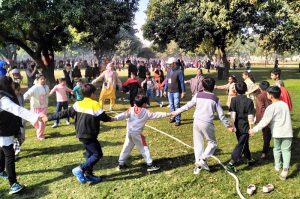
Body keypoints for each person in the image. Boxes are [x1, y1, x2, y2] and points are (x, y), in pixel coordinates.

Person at [44, 84, 113, 183]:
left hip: (80, 133)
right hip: (89, 134)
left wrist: (49, 117)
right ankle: (80, 169)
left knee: (90, 153)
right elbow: (104, 118)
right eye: (95, 93)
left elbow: (64, 113)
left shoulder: (78, 104)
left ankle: (88, 174)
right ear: (92, 94)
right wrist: (112, 119)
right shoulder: (95, 104)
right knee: (97, 154)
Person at [170, 77, 234, 174]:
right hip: (206, 123)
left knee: (198, 143)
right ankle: (202, 160)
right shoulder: (215, 98)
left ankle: (199, 166)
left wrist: (177, 111)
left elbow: (188, 105)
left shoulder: (198, 95)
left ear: (203, 86)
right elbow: (221, 115)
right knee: (212, 143)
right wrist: (228, 126)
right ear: (213, 87)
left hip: (196, 121)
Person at [0, 76, 44, 194]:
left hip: (3, 131)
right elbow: (18, 110)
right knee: (9, 155)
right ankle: (13, 184)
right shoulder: (3, 99)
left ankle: (0, 171)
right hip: (3, 132)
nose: (12, 87)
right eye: (10, 85)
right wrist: (35, 117)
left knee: (2, 152)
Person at [113, 95, 170, 172]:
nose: (146, 104)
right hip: (137, 134)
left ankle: (121, 164)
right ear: (143, 104)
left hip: (129, 132)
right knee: (144, 148)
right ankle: (150, 165)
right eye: (146, 103)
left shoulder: (131, 109)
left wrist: (114, 118)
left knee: (126, 146)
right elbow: (157, 114)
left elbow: (123, 115)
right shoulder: (146, 112)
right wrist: (168, 114)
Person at [249, 86, 293, 180]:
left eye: (268, 93)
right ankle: (285, 169)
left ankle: (278, 166)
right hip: (288, 132)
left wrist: (254, 130)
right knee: (286, 150)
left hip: (278, 133)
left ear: (271, 96)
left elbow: (264, 121)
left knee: (277, 149)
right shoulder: (284, 105)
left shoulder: (271, 107)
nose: (267, 95)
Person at [225, 81, 255, 173]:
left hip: (237, 125)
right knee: (241, 144)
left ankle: (249, 159)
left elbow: (232, 114)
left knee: (244, 143)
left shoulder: (233, 100)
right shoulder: (249, 101)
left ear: (236, 90)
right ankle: (231, 164)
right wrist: (251, 128)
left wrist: (233, 125)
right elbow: (250, 116)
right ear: (246, 89)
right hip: (245, 126)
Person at [23, 74, 49, 140]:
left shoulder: (46, 87)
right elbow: (28, 94)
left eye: (44, 79)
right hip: (36, 108)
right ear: (37, 80)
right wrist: (22, 99)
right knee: (36, 122)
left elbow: (46, 96)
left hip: (44, 108)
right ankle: (39, 132)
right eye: (41, 79)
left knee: (42, 123)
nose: (43, 80)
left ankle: (40, 135)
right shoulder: (35, 87)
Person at [164, 57, 186, 126]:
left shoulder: (179, 71)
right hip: (169, 91)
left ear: (174, 63)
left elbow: (182, 82)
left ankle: (178, 120)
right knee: (171, 105)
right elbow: (167, 81)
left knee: (177, 105)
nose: (169, 65)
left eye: (170, 64)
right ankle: (173, 117)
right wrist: (165, 90)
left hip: (176, 91)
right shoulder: (169, 71)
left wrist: (183, 91)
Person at [255, 81, 272, 159]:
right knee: (267, 134)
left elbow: (261, 109)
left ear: (260, 88)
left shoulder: (260, 96)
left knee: (266, 135)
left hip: (265, 118)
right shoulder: (271, 94)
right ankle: (267, 146)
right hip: (271, 117)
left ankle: (264, 152)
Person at [11, 82, 26, 159]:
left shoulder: (21, 96)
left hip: (21, 119)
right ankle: (15, 154)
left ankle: (15, 150)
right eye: (17, 90)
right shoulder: (9, 99)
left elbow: (22, 107)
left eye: (19, 89)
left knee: (22, 138)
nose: (19, 91)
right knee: (15, 139)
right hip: (13, 121)